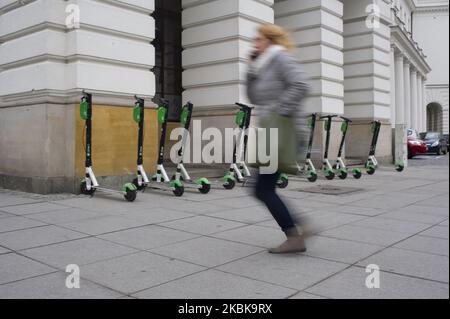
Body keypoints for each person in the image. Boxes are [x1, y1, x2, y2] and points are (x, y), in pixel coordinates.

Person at [246, 23, 310, 254]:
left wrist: (280, 112)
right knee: (264, 187)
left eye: (259, 39)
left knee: (262, 188)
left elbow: (302, 85)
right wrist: (251, 70)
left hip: (283, 130)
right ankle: (299, 229)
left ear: (270, 40)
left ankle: (297, 232)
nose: (255, 43)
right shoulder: (263, 66)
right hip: (272, 131)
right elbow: (253, 96)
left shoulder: (282, 58)